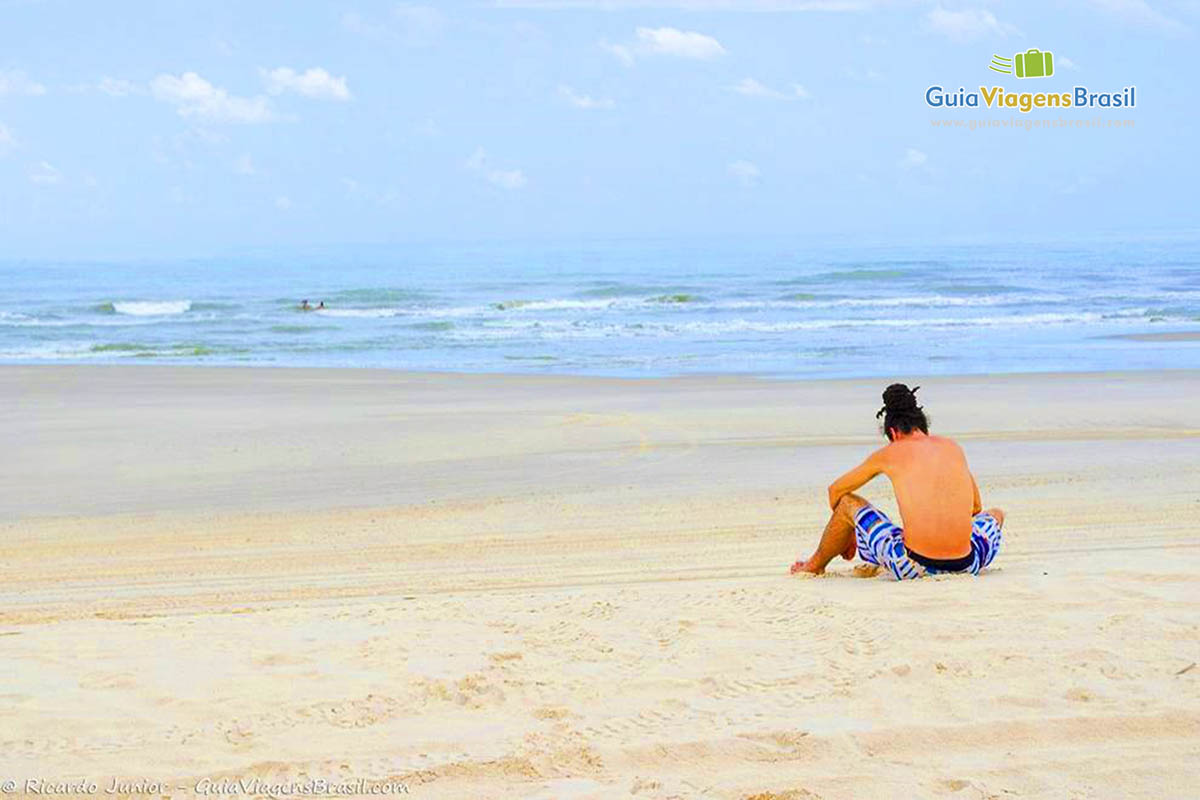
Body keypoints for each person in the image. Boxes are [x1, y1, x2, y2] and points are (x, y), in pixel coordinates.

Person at [790, 383, 1004, 579]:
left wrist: (850, 534)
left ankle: (814, 565)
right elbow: (975, 507)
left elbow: (835, 491)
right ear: (922, 425)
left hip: (912, 565)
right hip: (968, 564)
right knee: (995, 515)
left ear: (893, 432)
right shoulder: (952, 447)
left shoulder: (892, 452)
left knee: (847, 503)